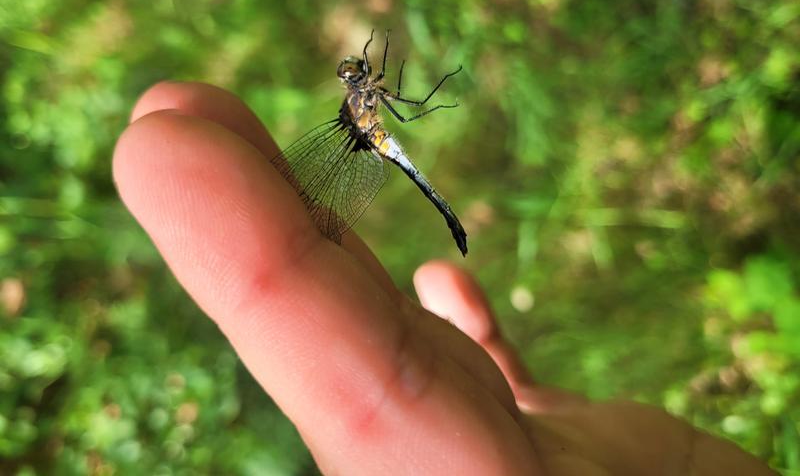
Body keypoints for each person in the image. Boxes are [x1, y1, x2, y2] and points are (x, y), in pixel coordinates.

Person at [113, 81, 776, 475]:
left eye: (360, 74)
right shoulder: (358, 112)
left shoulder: (368, 97)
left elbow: (402, 102)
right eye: (356, 76)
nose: (359, 77)